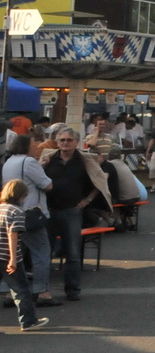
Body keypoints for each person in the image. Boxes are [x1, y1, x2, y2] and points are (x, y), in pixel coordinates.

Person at [43, 125, 111, 302]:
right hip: (49, 211)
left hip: (72, 211)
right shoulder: (48, 159)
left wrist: (88, 199)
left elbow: (100, 180)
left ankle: (73, 290)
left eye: (69, 140)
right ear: (57, 142)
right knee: (45, 253)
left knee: (72, 253)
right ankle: (42, 290)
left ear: (76, 142)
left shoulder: (84, 160)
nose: (65, 143)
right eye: (62, 140)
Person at [2, 134, 56, 308]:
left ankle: (10, 291)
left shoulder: (9, 162)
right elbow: (47, 185)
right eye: (34, 144)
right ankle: (42, 292)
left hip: (12, 212)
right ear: (26, 146)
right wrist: (42, 168)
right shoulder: (29, 162)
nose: (37, 146)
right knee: (41, 253)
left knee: (15, 254)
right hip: (31, 213)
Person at [1, 179, 48, 330]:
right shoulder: (17, 212)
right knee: (21, 289)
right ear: (21, 195)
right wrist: (13, 259)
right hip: (8, 256)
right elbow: (13, 234)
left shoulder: (1, 208)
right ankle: (28, 321)